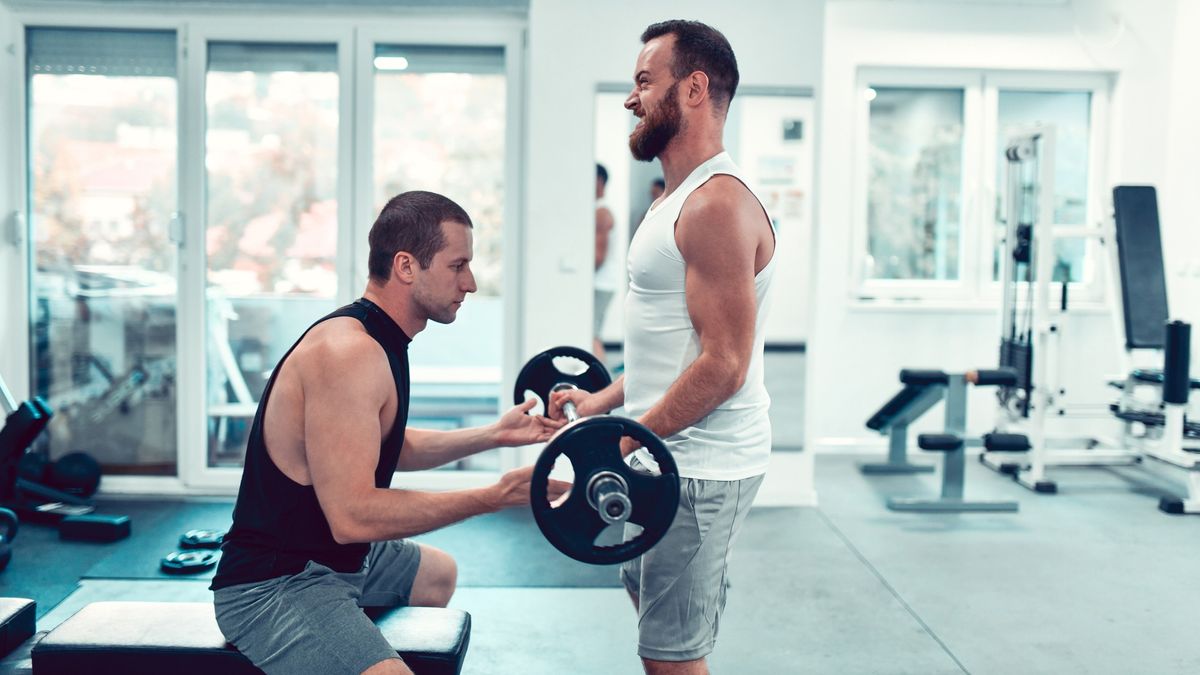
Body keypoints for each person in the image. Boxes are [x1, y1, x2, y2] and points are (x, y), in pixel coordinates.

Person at [211, 190, 569, 675]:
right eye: (457, 265)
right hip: (277, 582)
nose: (472, 282)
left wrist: (493, 435)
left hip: (338, 558)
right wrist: (493, 495)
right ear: (406, 266)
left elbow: (383, 445)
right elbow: (354, 517)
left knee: (437, 575)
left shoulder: (381, 337)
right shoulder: (349, 354)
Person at [551, 20, 775, 675]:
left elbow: (724, 365)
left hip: (699, 466)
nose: (631, 98)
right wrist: (600, 403)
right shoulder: (675, 201)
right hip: (668, 456)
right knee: (650, 604)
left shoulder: (714, 205)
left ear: (695, 88)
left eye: (645, 81)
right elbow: (672, 349)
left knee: (671, 657)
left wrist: (624, 442)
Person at [593, 163, 617, 363]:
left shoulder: (602, 213)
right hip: (600, 284)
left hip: (601, 285)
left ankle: (601, 387)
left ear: (599, 181)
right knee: (592, 334)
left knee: (591, 336)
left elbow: (598, 257)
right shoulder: (597, 210)